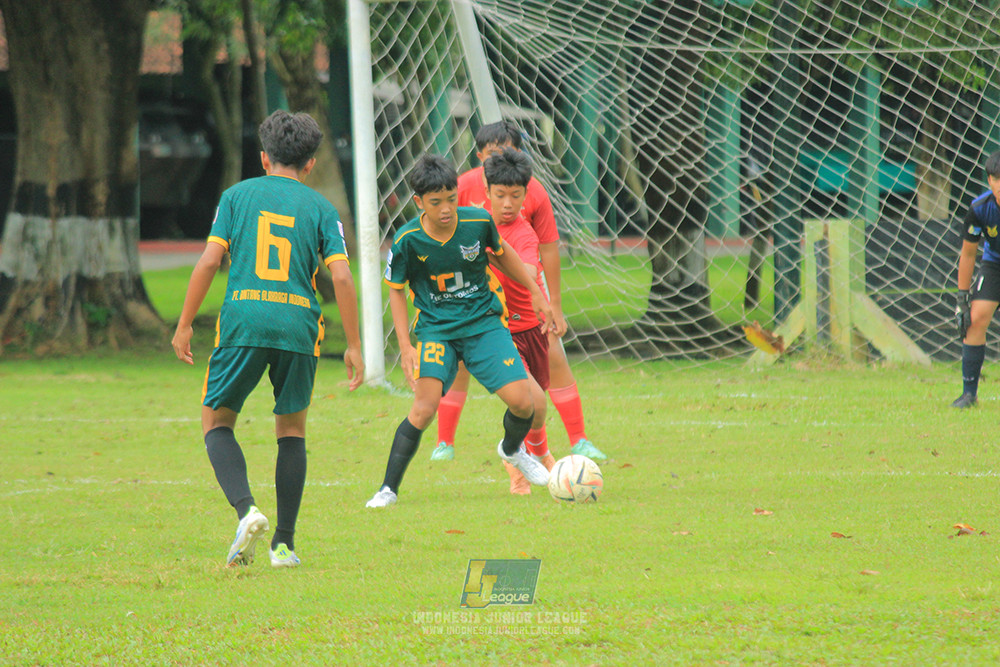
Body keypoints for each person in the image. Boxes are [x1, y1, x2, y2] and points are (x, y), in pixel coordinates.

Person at [171, 110, 364, 567]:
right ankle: (284, 545)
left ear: (263, 157)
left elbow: (207, 262)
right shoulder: (321, 209)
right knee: (291, 429)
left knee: (216, 422)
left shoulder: (236, 196)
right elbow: (341, 277)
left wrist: (183, 324)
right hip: (299, 324)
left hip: (244, 318)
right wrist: (354, 344)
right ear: (311, 164)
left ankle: (246, 510)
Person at [365, 154, 555, 508]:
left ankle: (512, 450)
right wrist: (405, 345)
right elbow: (395, 288)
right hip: (437, 331)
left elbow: (502, 255)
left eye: (451, 198)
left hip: (484, 325)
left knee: (524, 403)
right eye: (436, 203)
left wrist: (536, 294)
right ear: (419, 202)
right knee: (423, 409)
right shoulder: (407, 240)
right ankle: (388, 488)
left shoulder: (478, 221)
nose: (446, 209)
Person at [431, 120, 608, 463]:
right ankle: (445, 442)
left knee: (551, 362)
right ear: (480, 155)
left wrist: (553, 303)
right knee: (461, 363)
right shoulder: (462, 189)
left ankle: (577, 439)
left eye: (508, 151)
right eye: (492, 154)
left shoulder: (532, 194)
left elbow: (548, 249)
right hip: (476, 299)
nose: (499, 159)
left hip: (526, 296)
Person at [952, 150, 1000, 408]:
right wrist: (962, 297)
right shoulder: (980, 208)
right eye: (996, 178)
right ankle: (969, 394)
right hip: (994, 265)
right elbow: (969, 253)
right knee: (975, 319)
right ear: (989, 181)